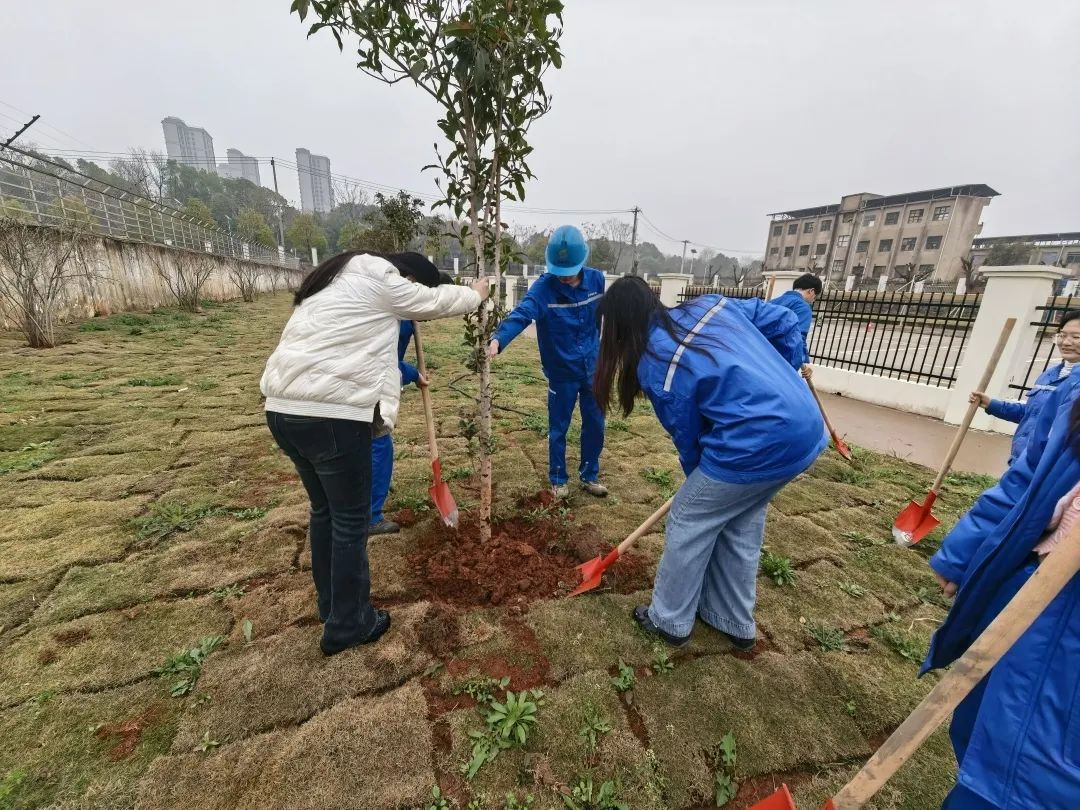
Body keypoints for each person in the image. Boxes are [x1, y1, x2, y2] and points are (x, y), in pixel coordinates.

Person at [260, 252, 489, 655]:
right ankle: (349, 624)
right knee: (350, 521)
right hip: (331, 415)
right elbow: (432, 301)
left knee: (325, 512)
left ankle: (332, 605)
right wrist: (475, 294)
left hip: (282, 409)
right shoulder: (378, 275)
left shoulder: (334, 279)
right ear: (407, 276)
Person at [592, 276, 827, 649]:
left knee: (690, 516)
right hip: (806, 428)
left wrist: (699, 485)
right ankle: (731, 620)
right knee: (741, 521)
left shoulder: (658, 363)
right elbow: (784, 321)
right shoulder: (711, 305)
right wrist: (785, 373)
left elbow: (688, 438)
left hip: (758, 440)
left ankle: (669, 621)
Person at [925, 369, 1080, 809]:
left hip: (1069, 638)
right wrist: (963, 552)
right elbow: (1028, 477)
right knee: (978, 723)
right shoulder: (1073, 390)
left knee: (1027, 778)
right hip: (1027, 587)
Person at [488, 225, 608, 499]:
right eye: (560, 272)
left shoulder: (597, 280)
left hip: (593, 367)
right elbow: (523, 313)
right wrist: (498, 340)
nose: (564, 277)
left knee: (596, 423)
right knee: (558, 427)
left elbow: (600, 318)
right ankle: (558, 478)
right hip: (561, 371)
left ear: (582, 261)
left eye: (570, 271)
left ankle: (589, 475)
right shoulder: (543, 289)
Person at [370, 271, 458, 535]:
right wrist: (410, 373)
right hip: (368, 384)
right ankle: (370, 516)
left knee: (368, 445)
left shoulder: (403, 310)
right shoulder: (399, 317)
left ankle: (362, 496)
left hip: (360, 382)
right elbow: (383, 361)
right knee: (378, 445)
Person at [969, 309, 1080, 465]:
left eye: (1076, 337)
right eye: (1062, 335)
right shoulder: (1049, 375)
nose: (1066, 342)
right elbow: (1031, 414)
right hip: (1020, 461)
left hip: (1049, 468)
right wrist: (992, 404)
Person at [771, 272, 822, 380]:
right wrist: (805, 363)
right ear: (811, 291)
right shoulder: (803, 307)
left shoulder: (773, 302)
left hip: (760, 354)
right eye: (815, 297)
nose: (813, 300)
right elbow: (798, 337)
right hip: (781, 362)